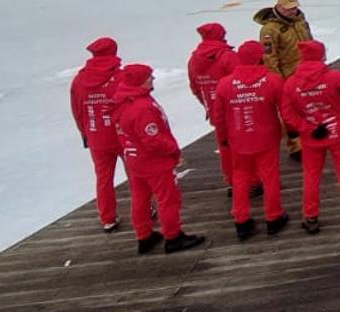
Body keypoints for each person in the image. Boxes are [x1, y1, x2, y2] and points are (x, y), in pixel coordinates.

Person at [112, 63, 205, 255]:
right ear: (140, 81)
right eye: (149, 77)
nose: (152, 79)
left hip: (134, 157)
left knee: (140, 197)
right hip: (153, 161)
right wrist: (173, 152)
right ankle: (173, 236)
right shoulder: (142, 107)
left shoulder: (123, 102)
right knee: (168, 199)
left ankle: (144, 235)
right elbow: (153, 139)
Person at [279, 40, 340, 234]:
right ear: (321, 56)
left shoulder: (291, 84)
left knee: (311, 176)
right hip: (338, 132)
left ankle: (311, 217)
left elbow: (287, 114)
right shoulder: (333, 77)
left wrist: (307, 127)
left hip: (312, 137)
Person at [210, 40, 289, 241]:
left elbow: (218, 117)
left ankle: (242, 220)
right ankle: (273, 217)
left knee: (240, 178)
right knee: (269, 177)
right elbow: (285, 109)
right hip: (266, 137)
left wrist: (223, 139)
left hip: (238, 139)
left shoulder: (225, 84)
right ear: (259, 57)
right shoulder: (273, 80)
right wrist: (294, 132)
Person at [69, 37, 124, 233]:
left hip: (95, 137)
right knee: (136, 175)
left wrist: (84, 133)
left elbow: (77, 110)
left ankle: (107, 217)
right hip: (120, 134)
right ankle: (145, 209)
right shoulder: (120, 77)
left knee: (103, 178)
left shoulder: (79, 81)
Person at [255, 0, 312, 157]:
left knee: (308, 107)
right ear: (279, 7)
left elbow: (310, 40)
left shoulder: (300, 21)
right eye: (288, 9)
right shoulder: (270, 30)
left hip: (306, 73)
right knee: (290, 113)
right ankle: (296, 145)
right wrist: (277, 80)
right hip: (288, 76)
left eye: (294, 8)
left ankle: (310, 136)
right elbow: (269, 57)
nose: (292, 11)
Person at [186, 22, 236, 185]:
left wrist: (207, 104)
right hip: (235, 109)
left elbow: (195, 86)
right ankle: (249, 181)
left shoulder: (194, 59)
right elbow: (240, 81)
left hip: (214, 109)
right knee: (243, 146)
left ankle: (231, 180)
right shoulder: (227, 56)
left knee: (224, 146)